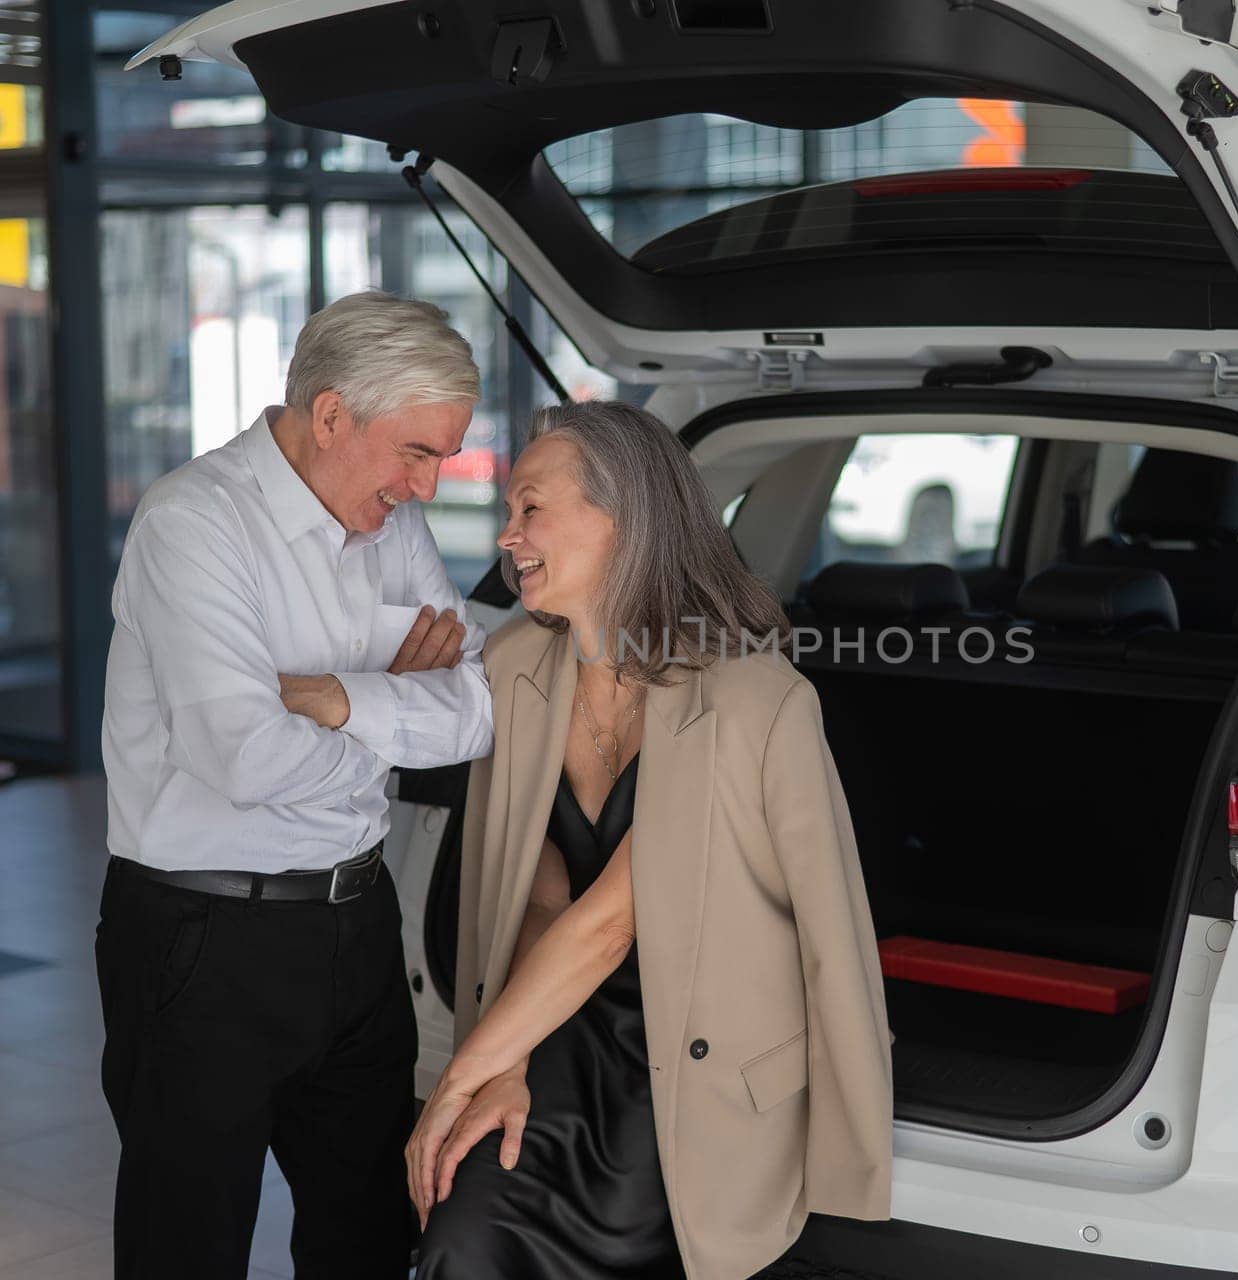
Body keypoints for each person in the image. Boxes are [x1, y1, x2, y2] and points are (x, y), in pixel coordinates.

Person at [407, 400, 895, 1280]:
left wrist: (453, 1080)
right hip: (554, 1025)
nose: (509, 535)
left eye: (531, 508)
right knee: (460, 1241)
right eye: (510, 512)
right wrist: (506, 1061)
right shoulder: (515, 667)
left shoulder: (752, 701)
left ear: (622, 518)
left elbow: (616, 922)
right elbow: (542, 891)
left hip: (693, 1058)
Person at [96, 290, 496, 1280]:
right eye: (415, 452)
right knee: (184, 1247)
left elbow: (478, 709)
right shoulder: (193, 524)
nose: (427, 486)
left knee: (368, 1235)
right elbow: (244, 759)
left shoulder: (386, 523)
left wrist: (330, 700)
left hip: (360, 928)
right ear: (330, 416)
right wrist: (395, 701)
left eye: (442, 457)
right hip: (203, 944)